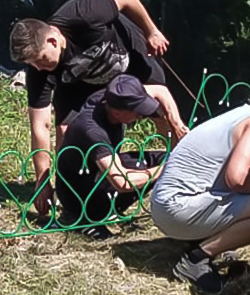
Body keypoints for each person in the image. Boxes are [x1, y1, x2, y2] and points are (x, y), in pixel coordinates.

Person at [8, 0, 186, 222]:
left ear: (53, 40)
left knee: (161, 115)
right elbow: (40, 127)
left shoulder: (82, 14)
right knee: (66, 132)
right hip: (81, 82)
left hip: (131, 61)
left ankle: (179, 173)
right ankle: (73, 194)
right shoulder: (39, 71)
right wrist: (42, 182)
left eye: (41, 59)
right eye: (33, 64)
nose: (39, 68)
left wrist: (151, 31)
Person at [152, 80, 250, 294]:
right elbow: (236, 178)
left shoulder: (246, 113)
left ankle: (207, 240)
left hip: (166, 205)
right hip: (177, 210)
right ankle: (196, 259)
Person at [52, 75, 168, 239]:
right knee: (166, 165)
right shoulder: (92, 131)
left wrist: (176, 123)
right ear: (117, 112)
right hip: (81, 196)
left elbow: (160, 91)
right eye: (137, 110)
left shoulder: (106, 97)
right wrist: (165, 170)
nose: (141, 115)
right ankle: (84, 219)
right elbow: (123, 183)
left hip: (96, 174)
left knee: (165, 158)